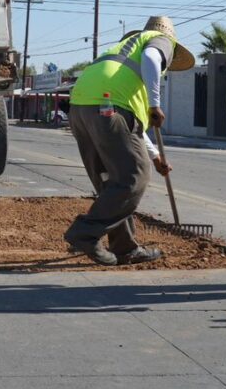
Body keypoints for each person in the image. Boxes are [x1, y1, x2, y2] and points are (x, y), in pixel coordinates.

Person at [63, 16, 196, 266]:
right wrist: (155, 104)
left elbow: (131, 127)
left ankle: (124, 248)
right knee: (133, 177)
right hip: (109, 108)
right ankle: (85, 232)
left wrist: (155, 157)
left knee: (111, 183)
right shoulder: (161, 40)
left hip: (81, 107)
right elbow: (151, 59)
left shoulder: (124, 60)